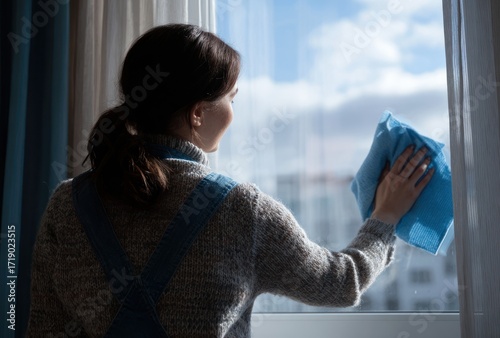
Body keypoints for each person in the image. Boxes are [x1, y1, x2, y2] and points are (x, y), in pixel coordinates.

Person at [27, 24, 434, 337]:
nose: (234, 112)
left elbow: (43, 329)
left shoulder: (67, 205)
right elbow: (340, 283)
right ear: (199, 113)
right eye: (231, 99)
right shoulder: (242, 210)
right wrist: (385, 217)